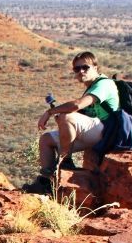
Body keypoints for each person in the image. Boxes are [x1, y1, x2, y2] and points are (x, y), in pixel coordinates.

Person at [23, 51, 120, 194]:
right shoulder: (91, 86)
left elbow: (77, 105)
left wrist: (51, 112)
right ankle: (48, 183)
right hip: (94, 131)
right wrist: (62, 121)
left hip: (107, 132)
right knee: (46, 140)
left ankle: (64, 161)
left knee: (66, 116)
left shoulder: (104, 84)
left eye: (85, 67)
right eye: (77, 69)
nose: (80, 71)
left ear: (95, 67)